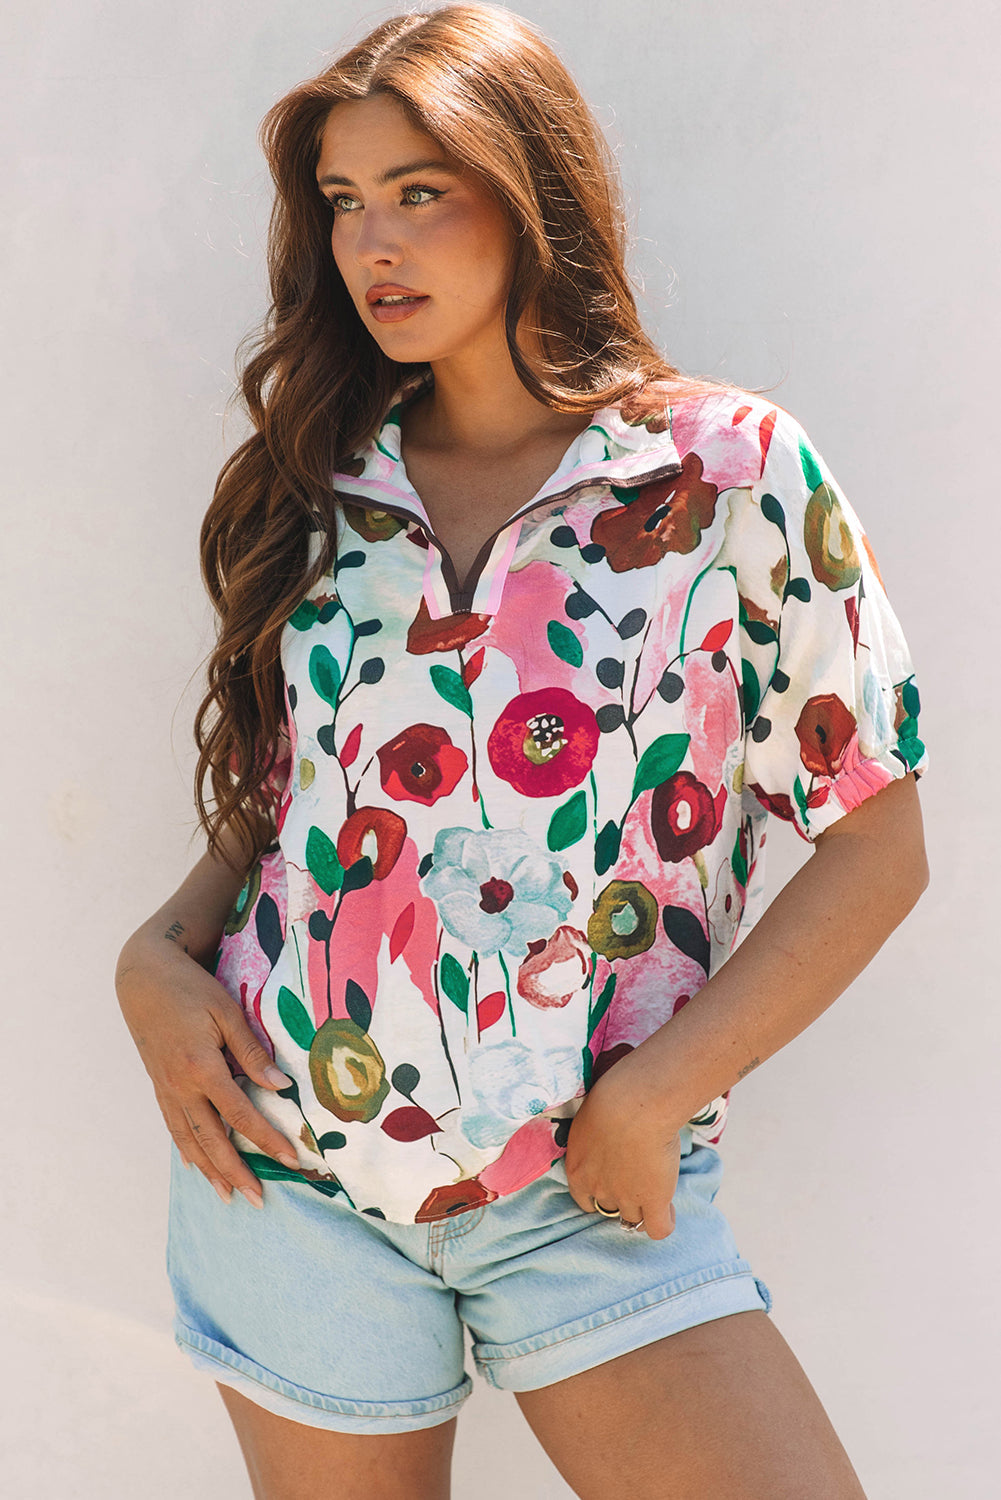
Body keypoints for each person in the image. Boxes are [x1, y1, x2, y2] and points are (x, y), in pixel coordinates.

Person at [115, 6, 929, 1497]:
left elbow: (879, 844)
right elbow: (293, 804)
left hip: (587, 1191)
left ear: (527, 193)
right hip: (292, 1173)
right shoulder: (320, 485)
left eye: (418, 191)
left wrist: (655, 1095)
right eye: (344, 202)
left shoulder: (725, 472)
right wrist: (153, 960)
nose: (373, 244)